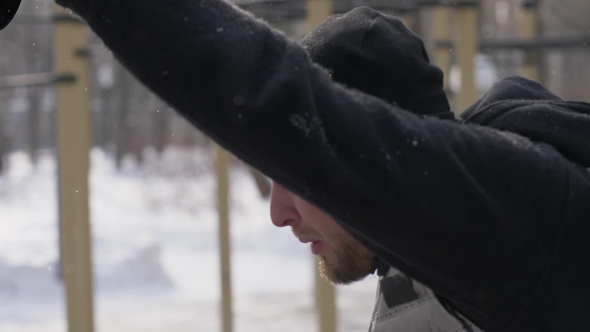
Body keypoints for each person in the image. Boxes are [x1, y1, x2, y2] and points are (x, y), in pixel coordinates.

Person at [52, 0, 590, 331]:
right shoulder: (430, 276)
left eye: (297, 177)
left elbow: (270, 98)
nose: (278, 214)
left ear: (377, 163)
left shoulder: (520, 226)